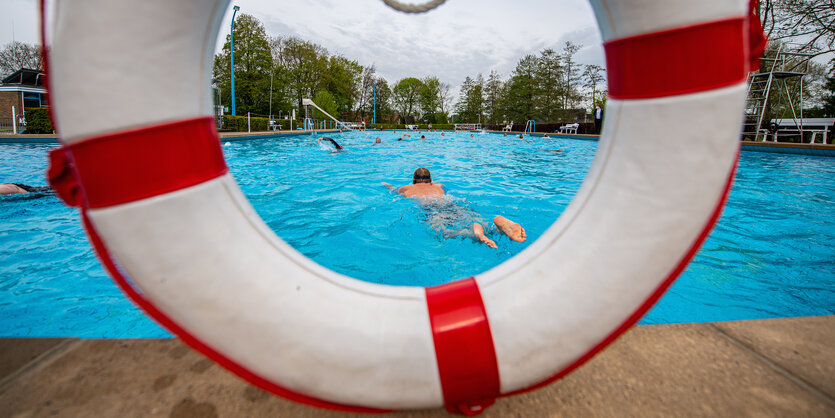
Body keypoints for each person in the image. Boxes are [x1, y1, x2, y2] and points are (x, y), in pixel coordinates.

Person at [382, 168, 526, 249]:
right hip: (451, 203)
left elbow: (393, 189)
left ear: (413, 181)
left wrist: (386, 184)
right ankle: (496, 228)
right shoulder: (438, 186)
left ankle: (471, 233)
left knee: (442, 233)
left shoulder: (406, 188)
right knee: (475, 221)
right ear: (431, 180)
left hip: (430, 207)